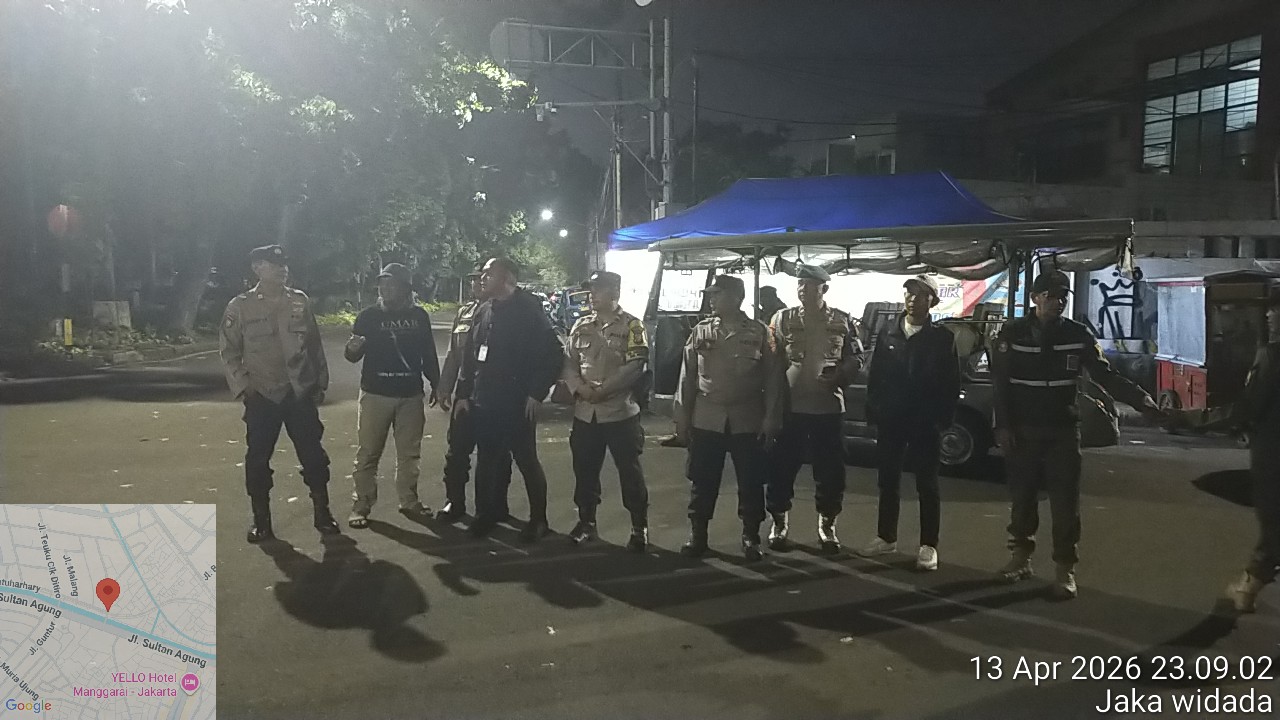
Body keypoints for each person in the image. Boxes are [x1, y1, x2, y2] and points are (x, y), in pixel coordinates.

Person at [991, 269, 1163, 599]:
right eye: (1051, 296)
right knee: (1022, 498)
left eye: (1063, 297)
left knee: (1065, 503)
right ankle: (1020, 558)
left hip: (1062, 431)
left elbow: (1105, 375)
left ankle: (1064, 569)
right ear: (1035, 298)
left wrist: (1141, 399)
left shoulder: (1077, 335)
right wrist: (1003, 426)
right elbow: (1001, 385)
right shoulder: (1012, 334)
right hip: (1023, 431)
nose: (1058, 302)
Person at [219, 244, 339, 543]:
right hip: (262, 394)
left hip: (299, 392)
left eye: (284, 264)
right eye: (274, 265)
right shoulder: (240, 306)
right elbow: (229, 351)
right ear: (257, 268)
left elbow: (313, 345)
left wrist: (320, 382)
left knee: (314, 457)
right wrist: (244, 386)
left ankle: (323, 514)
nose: (282, 269)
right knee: (258, 460)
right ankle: (262, 521)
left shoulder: (299, 301)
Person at [1171, 292, 1280, 614]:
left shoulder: (1272, 356)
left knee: (1274, 522)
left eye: (1275, 311)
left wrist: (1191, 418)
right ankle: (1250, 585)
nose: (1269, 317)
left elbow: (1247, 407)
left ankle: (1250, 585)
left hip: (1273, 456)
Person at [675, 274, 784, 560]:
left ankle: (751, 536)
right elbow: (687, 377)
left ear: (737, 298)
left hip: (747, 417)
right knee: (702, 480)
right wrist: (682, 418)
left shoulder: (761, 333)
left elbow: (773, 379)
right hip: (707, 416)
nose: (711, 299)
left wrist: (771, 417)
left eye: (718, 294)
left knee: (750, 481)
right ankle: (698, 534)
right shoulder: (700, 331)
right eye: (711, 294)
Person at [455, 258, 562, 541]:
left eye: (489, 273)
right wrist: (463, 393)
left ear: (508, 278)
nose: (482, 277)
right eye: (482, 273)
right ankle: (487, 514)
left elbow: (553, 354)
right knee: (487, 460)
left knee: (526, 460)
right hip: (485, 400)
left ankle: (538, 520)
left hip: (517, 401)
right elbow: (470, 355)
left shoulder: (529, 310)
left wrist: (537, 393)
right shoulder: (483, 310)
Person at [858, 275, 960, 571]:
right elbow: (876, 374)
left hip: (925, 422)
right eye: (909, 293)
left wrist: (942, 420)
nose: (913, 299)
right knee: (888, 480)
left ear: (932, 301)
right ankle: (886, 537)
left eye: (920, 295)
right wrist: (874, 410)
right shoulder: (889, 331)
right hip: (891, 419)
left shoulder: (942, 338)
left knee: (927, 484)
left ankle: (928, 545)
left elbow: (951, 382)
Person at [766, 263, 864, 554]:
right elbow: (771, 361)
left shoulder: (843, 321)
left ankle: (827, 526)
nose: (803, 290)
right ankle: (779, 523)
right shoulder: (782, 319)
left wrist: (842, 375)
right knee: (781, 468)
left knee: (830, 472)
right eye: (800, 284)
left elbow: (857, 357)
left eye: (810, 285)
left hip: (828, 410)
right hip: (791, 410)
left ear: (824, 288)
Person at [343, 263, 440, 529]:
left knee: (409, 454)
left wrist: (437, 384)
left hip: (410, 396)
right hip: (376, 394)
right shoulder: (368, 316)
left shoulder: (419, 316)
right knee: (368, 454)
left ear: (406, 288)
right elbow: (352, 356)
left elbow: (428, 353)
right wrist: (352, 349)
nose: (385, 289)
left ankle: (409, 501)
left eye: (391, 284)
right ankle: (361, 504)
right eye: (382, 284)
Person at [562, 271, 652, 551]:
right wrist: (580, 388)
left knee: (630, 473)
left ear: (615, 292)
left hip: (619, 413)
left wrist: (603, 391)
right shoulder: (581, 325)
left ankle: (638, 527)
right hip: (585, 413)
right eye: (590, 290)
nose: (592, 295)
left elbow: (636, 365)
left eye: (598, 289)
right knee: (584, 472)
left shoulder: (632, 326)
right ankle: (586, 522)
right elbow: (568, 363)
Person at [434, 270, 485, 521]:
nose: (476, 283)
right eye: (473, 279)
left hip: (491, 395)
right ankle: (454, 502)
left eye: (481, 278)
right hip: (464, 394)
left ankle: (493, 507)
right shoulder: (465, 312)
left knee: (493, 456)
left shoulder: (505, 311)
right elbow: (454, 354)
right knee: (456, 452)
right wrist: (444, 387)